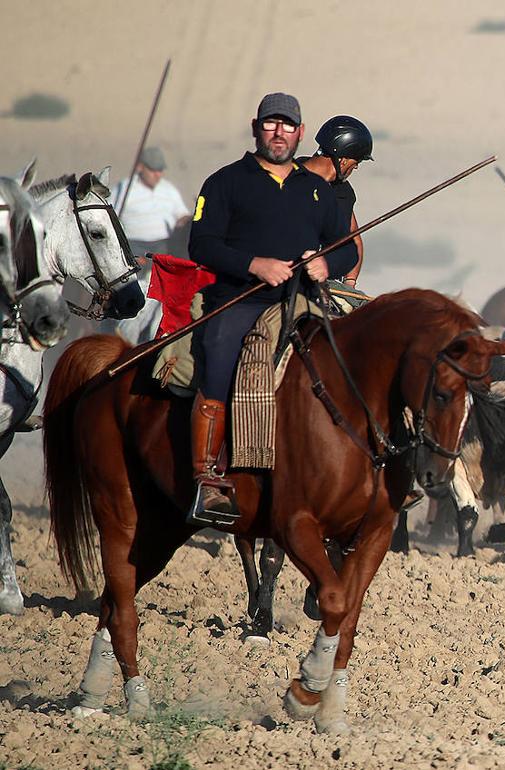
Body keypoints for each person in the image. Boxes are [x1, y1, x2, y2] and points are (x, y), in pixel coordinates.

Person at [186, 92, 357, 524]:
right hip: (241, 299)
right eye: (270, 123)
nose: (278, 132)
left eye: (287, 125)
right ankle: (208, 479)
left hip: (302, 300)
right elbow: (201, 244)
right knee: (219, 360)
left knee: (352, 359)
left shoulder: (318, 190)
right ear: (256, 127)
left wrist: (324, 262)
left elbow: (345, 253)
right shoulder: (224, 182)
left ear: (300, 133)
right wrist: (253, 265)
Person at [107, 146, 191, 341]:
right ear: (140, 167)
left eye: (160, 170)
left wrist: (189, 220)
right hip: (133, 247)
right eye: (153, 169)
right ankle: (122, 324)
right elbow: (110, 219)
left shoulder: (168, 190)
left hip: (164, 247)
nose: (158, 174)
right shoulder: (124, 189)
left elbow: (182, 215)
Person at [297, 115, 373, 288]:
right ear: (343, 159)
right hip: (285, 283)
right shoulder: (288, 178)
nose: (356, 167)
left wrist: (350, 283)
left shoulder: (343, 192)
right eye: (357, 161)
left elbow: (354, 238)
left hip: (331, 286)